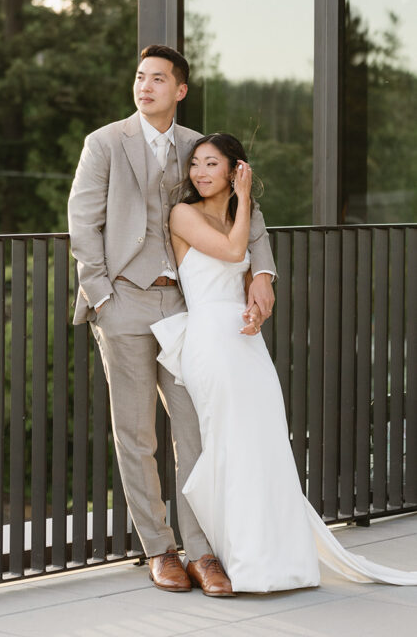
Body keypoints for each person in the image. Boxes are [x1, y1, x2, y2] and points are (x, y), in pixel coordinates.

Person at [152, 132, 417, 591]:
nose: (199, 172)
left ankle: (279, 559)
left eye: (212, 164)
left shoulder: (245, 216)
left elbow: (253, 261)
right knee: (228, 442)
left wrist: (259, 289)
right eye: (196, 164)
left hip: (247, 340)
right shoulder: (184, 213)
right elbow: (236, 252)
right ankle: (235, 558)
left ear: (234, 167)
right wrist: (247, 198)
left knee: (266, 440)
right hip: (210, 340)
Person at [68, 44, 277, 596]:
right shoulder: (105, 143)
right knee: (136, 434)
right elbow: (82, 222)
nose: (145, 87)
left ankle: (203, 551)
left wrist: (263, 275)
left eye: (158, 79)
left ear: (179, 90)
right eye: (140, 77)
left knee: (195, 430)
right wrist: (101, 295)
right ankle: (159, 549)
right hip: (125, 303)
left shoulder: (198, 148)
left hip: (187, 307)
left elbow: (250, 219)